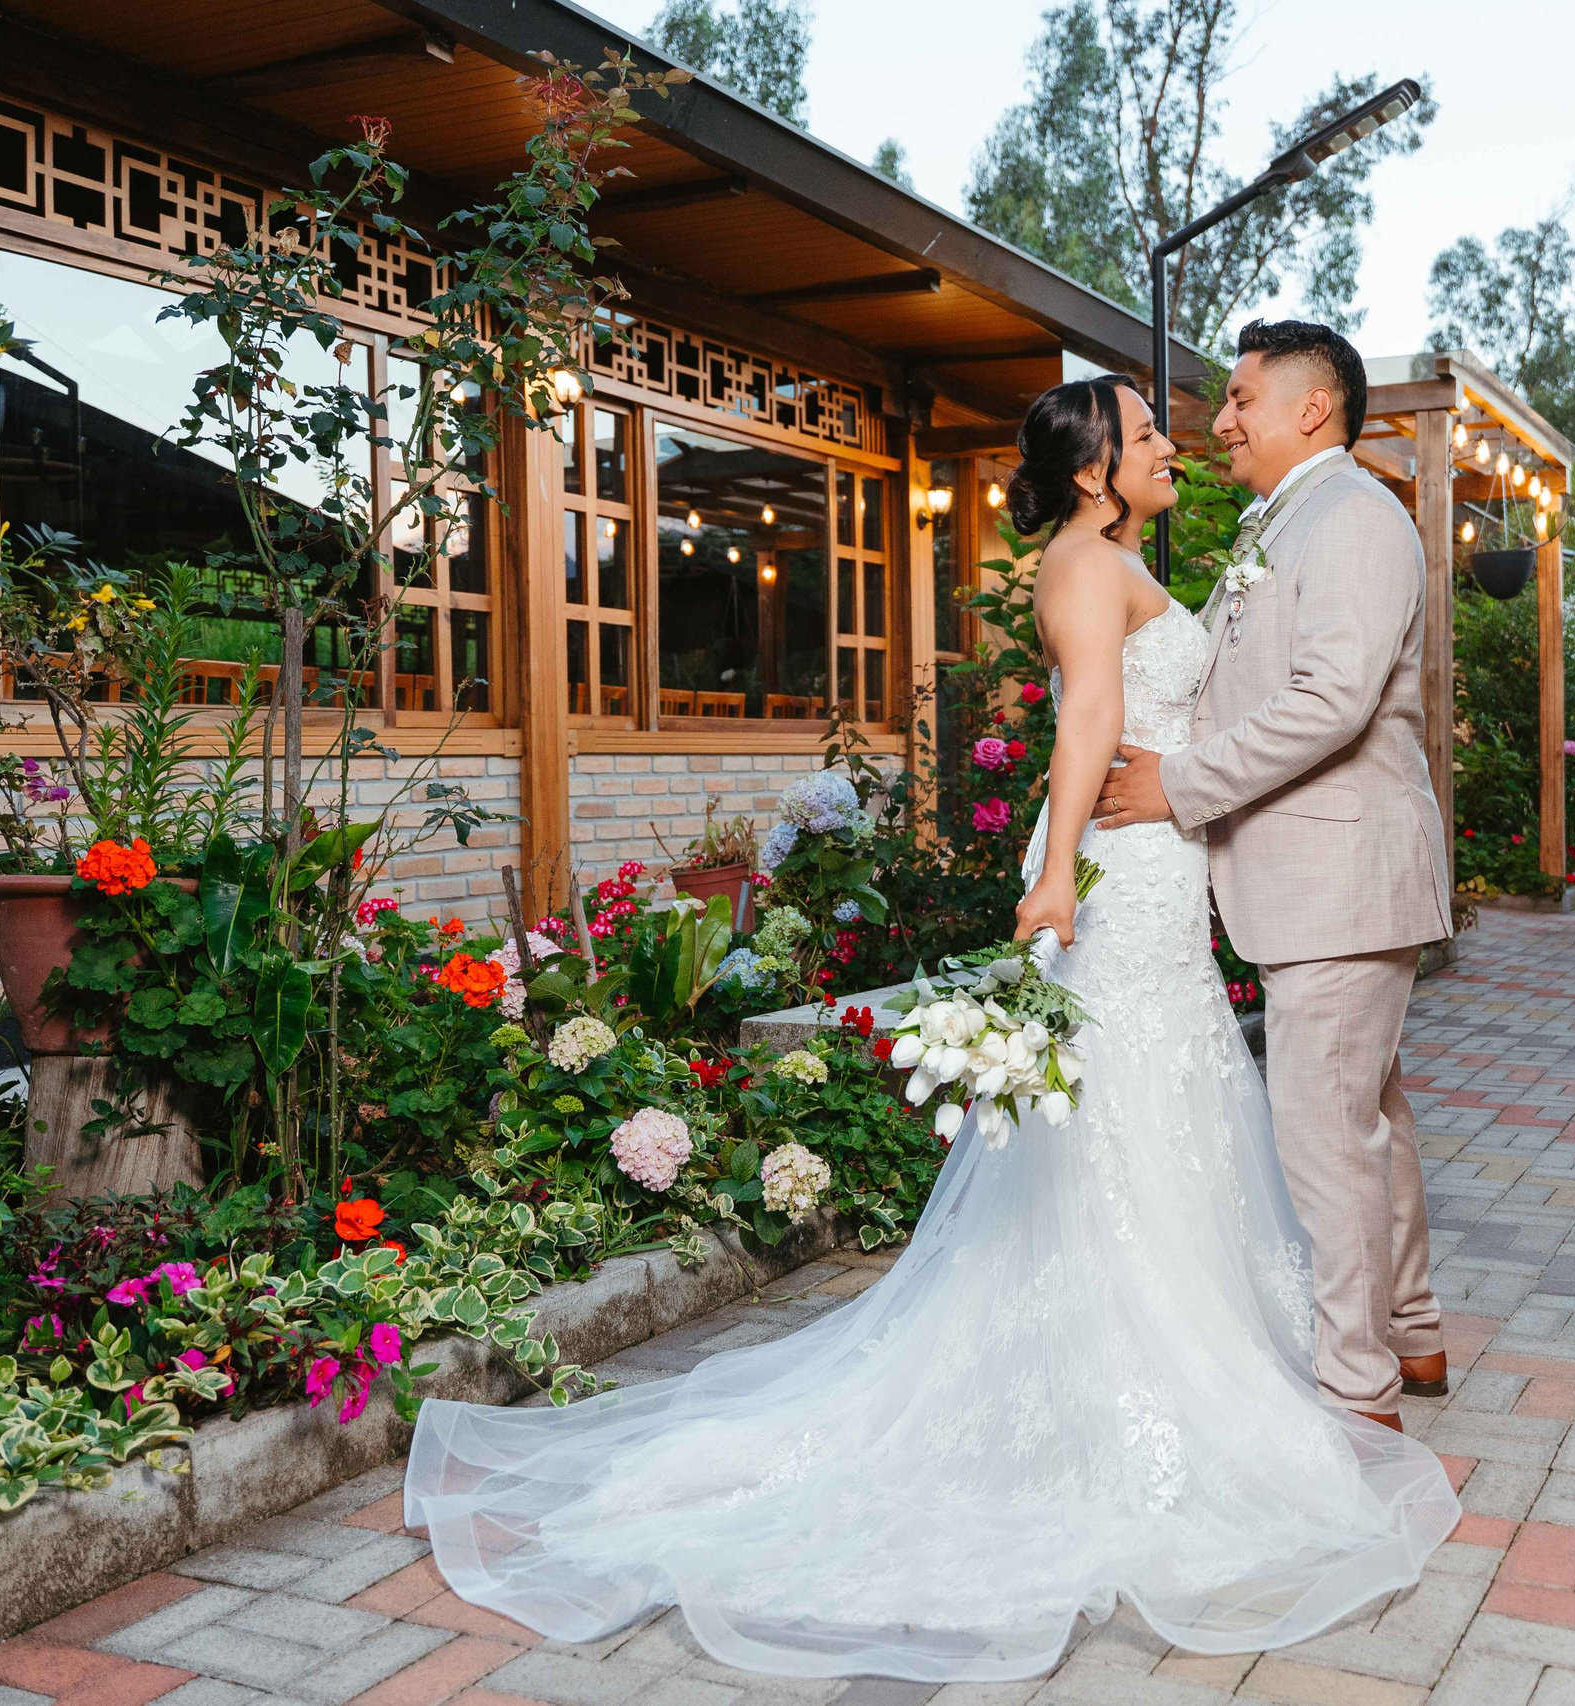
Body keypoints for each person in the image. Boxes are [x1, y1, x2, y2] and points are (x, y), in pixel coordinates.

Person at [401, 372, 1458, 1684]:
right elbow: (1089, 716)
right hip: (1120, 868)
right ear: (1093, 470)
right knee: (1130, 1109)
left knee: (1165, 1106)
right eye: (1144, 434)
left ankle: (1206, 1341)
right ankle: (1143, 1367)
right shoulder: (1084, 565)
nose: (1175, 443)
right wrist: (1057, 870)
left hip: (1166, 863)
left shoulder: (1125, 554)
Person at [1096, 318, 1453, 1428]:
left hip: (1339, 877)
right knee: (1367, 1115)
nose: (1221, 421)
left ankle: (1358, 1386)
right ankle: (1413, 1333)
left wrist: (1178, 782)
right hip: (1319, 877)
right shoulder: (1290, 518)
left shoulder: (1353, 517)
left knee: (1324, 1134)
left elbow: (1330, 701)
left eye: (1241, 399)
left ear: (1313, 407)